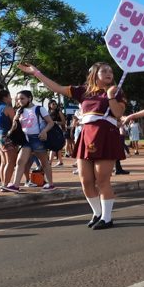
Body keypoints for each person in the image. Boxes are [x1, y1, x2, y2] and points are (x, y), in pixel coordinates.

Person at [15, 62, 125, 230]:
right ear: (95, 74)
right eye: (104, 70)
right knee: (86, 180)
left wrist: (110, 96)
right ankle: (97, 212)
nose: (109, 73)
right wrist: (36, 72)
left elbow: (118, 114)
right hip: (87, 136)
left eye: (111, 71)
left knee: (102, 180)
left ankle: (107, 217)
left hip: (106, 136)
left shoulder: (116, 92)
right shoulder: (83, 91)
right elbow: (57, 87)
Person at [2, 90, 56, 192]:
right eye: (18, 99)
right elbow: (15, 125)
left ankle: (51, 184)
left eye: (22, 98)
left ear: (29, 98)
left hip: (37, 139)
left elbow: (50, 122)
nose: (19, 101)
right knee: (20, 161)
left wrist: (44, 131)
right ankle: (15, 185)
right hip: (26, 139)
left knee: (44, 162)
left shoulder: (39, 109)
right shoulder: (19, 111)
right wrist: (12, 127)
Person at [0, 90, 18, 190]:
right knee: (10, 161)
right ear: (5, 97)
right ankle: (5, 185)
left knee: (3, 161)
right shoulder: (7, 108)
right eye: (10, 96)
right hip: (5, 136)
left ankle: (4, 183)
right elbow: (14, 123)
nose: (11, 98)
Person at [47, 100, 66, 167]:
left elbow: (64, 122)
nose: (54, 105)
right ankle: (60, 161)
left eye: (55, 104)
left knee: (54, 146)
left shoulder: (59, 112)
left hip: (57, 131)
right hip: (50, 130)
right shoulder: (48, 112)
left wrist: (56, 122)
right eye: (53, 104)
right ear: (49, 105)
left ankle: (49, 162)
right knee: (57, 147)